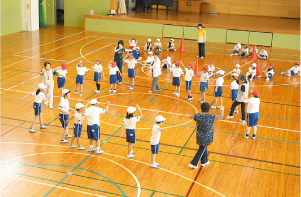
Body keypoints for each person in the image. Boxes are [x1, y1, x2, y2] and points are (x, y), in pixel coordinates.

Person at [187, 102, 224, 169]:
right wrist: (222, 109)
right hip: (207, 137)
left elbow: (192, 116)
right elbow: (221, 116)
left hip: (199, 135)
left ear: (201, 109)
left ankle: (204, 161)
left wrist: (187, 115)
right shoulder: (211, 117)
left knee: (203, 147)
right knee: (201, 149)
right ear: (208, 109)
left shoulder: (197, 116)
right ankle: (193, 163)